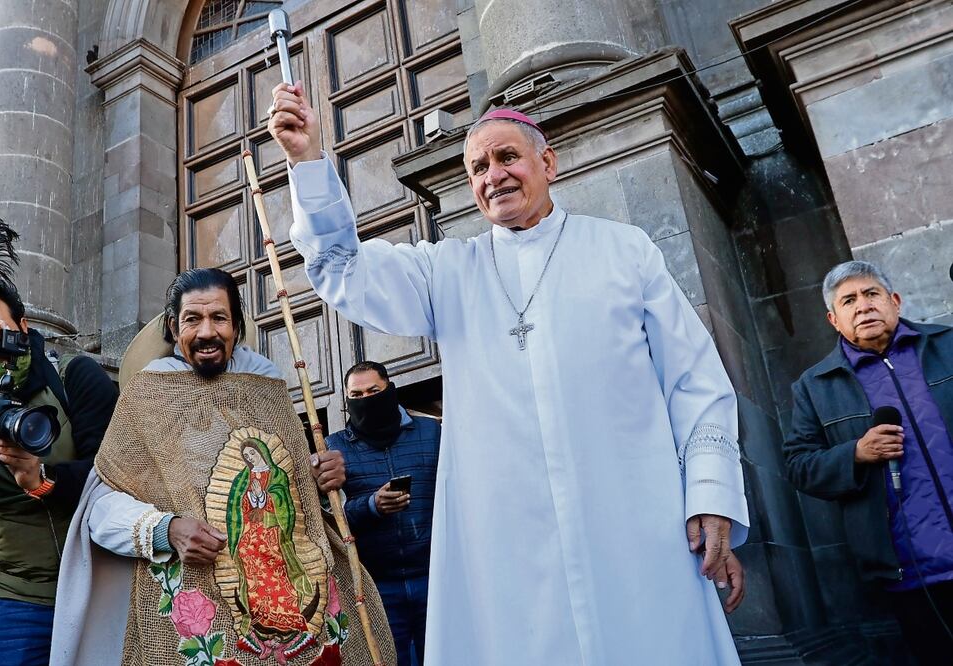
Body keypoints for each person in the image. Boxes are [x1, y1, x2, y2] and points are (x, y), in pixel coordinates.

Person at [268, 84, 749, 664]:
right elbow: (341, 270)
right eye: (477, 167)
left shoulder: (625, 251)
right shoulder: (448, 270)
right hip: (505, 539)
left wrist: (712, 492)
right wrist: (308, 162)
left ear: (547, 162)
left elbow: (694, 382)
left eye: (506, 157)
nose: (492, 175)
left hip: (631, 518)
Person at [49, 268, 395, 666]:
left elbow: (295, 498)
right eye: (192, 319)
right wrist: (167, 529)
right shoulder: (150, 395)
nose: (206, 332)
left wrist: (318, 480)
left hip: (290, 607)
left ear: (237, 325)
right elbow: (101, 504)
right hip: (196, 610)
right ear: (172, 326)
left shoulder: (267, 388)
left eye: (219, 318)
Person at [784, 260, 953, 665]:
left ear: (894, 301)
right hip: (911, 576)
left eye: (871, 294)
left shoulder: (947, 345)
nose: (863, 306)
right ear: (834, 319)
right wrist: (856, 453)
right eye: (849, 300)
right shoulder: (814, 386)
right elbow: (799, 465)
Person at [0, 219, 118, 666]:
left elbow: (117, 476)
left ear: (22, 325)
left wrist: (41, 480)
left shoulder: (74, 377)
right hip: (19, 596)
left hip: (97, 586)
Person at [327, 361, 441, 666]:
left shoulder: (432, 433)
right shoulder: (334, 448)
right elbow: (330, 521)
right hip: (377, 588)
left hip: (436, 576)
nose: (366, 399)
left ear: (389, 391)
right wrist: (371, 506)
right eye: (357, 394)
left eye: (373, 391)